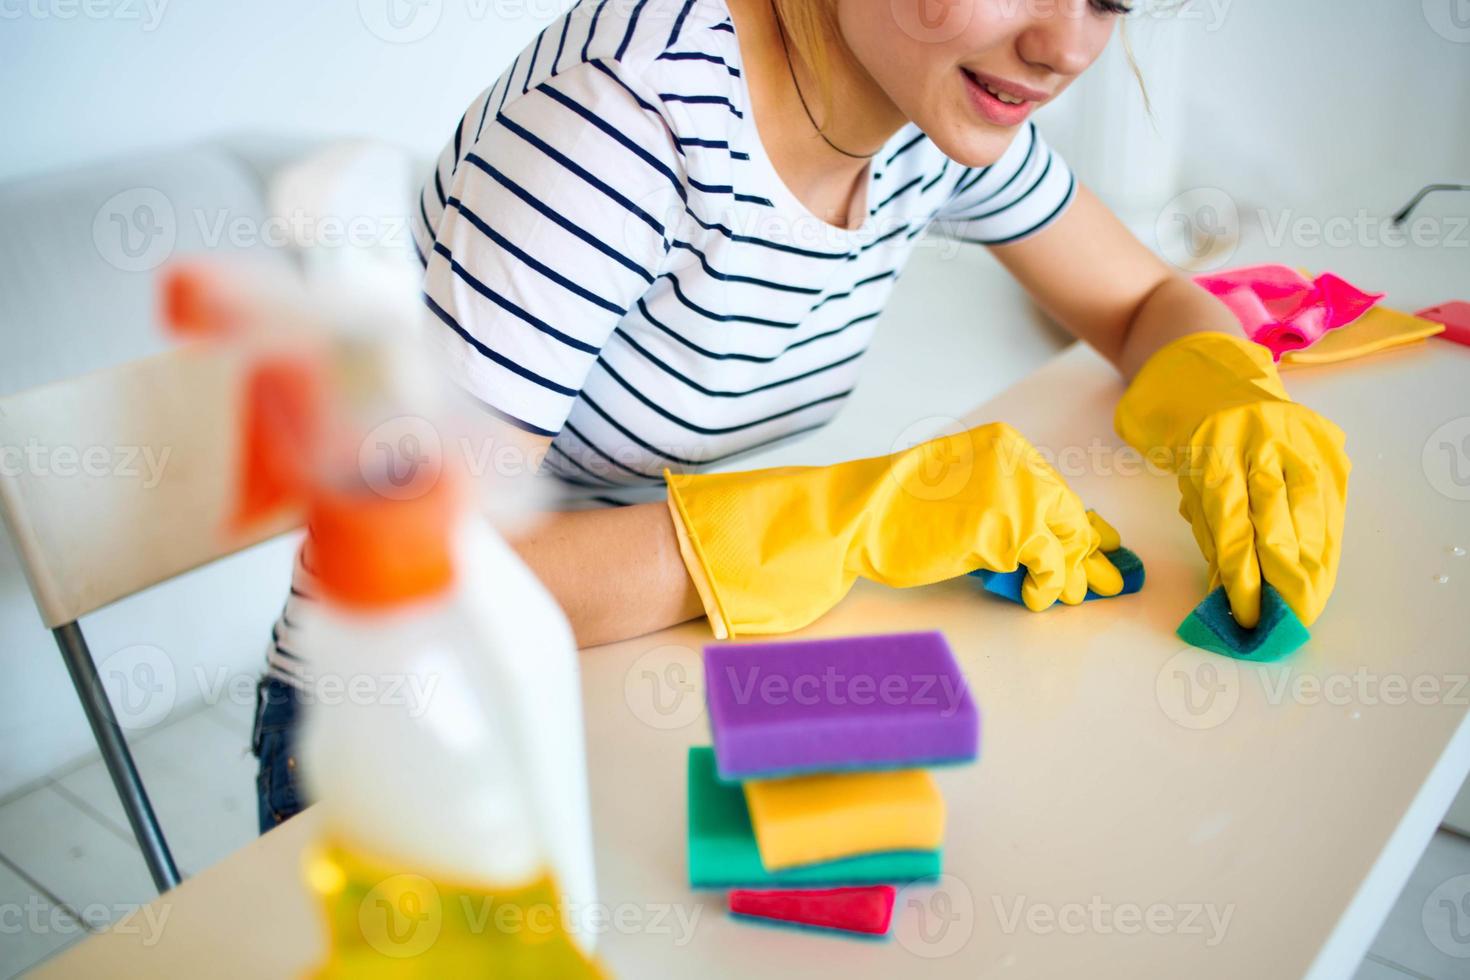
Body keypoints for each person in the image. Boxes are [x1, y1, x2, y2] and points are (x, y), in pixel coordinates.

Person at [251, 0, 1350, 831]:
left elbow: (1147, 298)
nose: (1066, 45)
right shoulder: (630, 116)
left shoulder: (926, 97)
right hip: (402, 740)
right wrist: (843, 519)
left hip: (627, 675)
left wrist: (1226, 391)